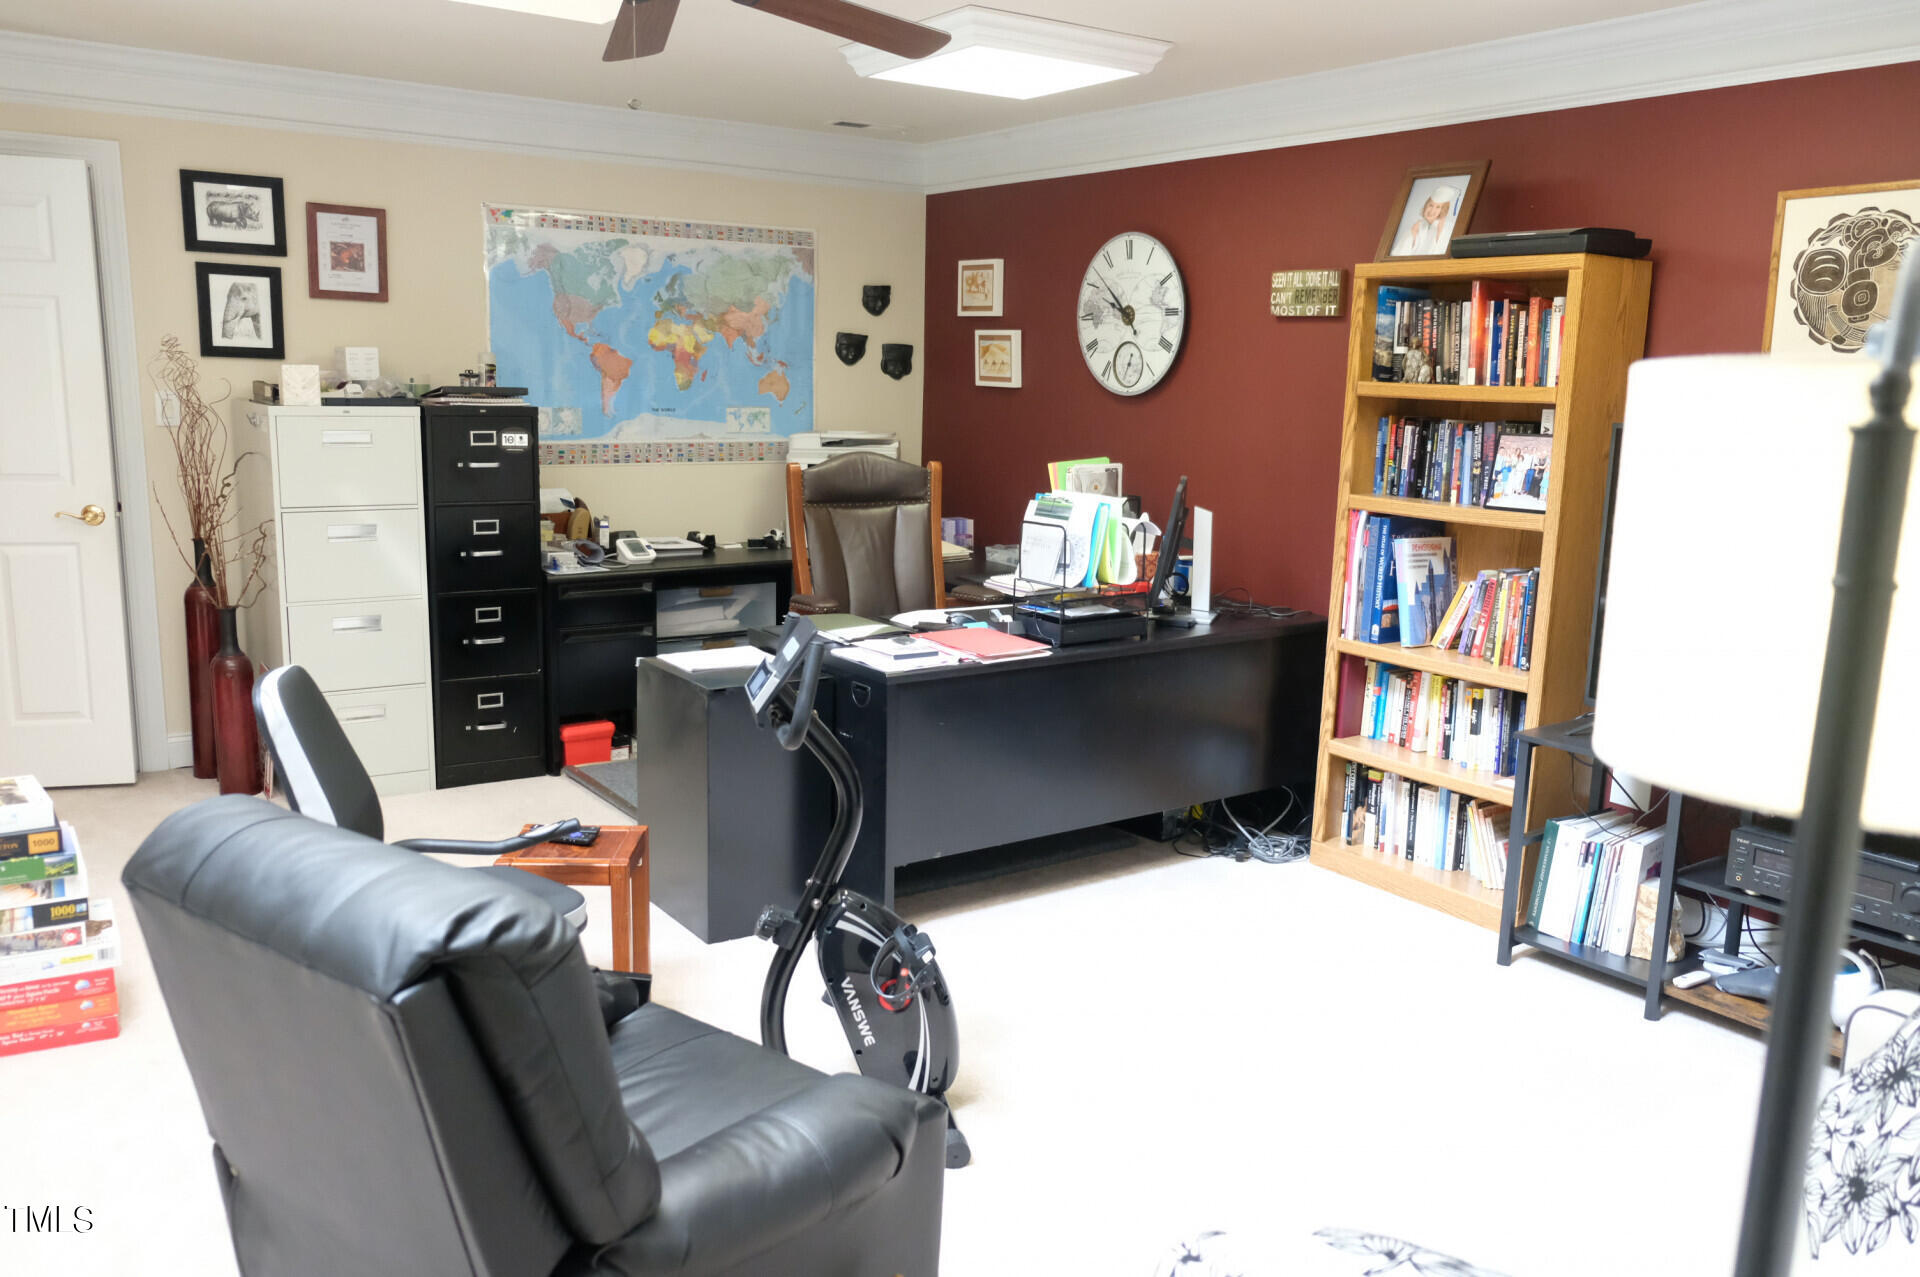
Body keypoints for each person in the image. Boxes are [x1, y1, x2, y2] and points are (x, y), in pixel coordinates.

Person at [1396, 183, 1461, 255]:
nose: (1432, 210)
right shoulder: (1419, 225)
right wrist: (1412, 234)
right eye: (1431, 205)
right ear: (1426, 205)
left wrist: (1439, 232)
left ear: (1442, 210)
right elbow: (1400, 254)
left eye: (1438, 207)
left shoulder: (1447, 228)